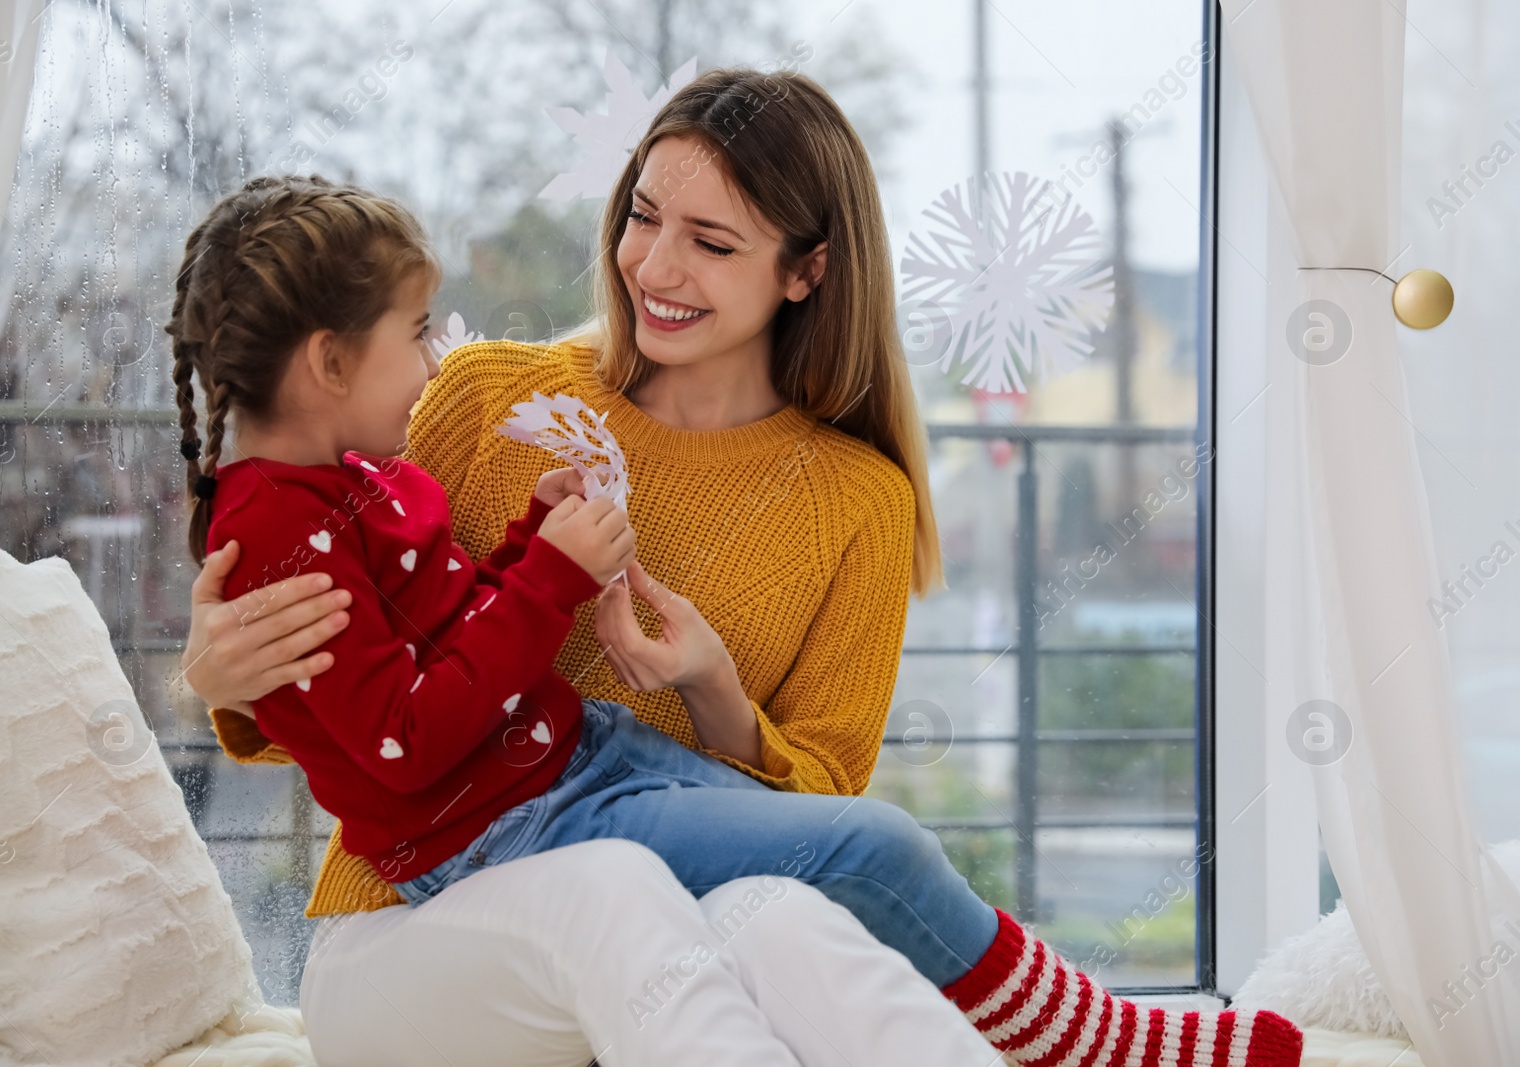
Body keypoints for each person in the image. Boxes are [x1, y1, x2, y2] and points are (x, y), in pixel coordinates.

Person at [181, 73, 1301, 1067]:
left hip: (650, 903)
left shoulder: (858, 500)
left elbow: (820, 837)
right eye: (641, 217)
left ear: (806, 271)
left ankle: (1093, 1045)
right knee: (614, 889)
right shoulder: (476, 396)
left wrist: (712, 687)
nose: (655, 267)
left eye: (712, 244)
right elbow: (365, 714)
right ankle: (1093, 1039)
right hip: (408, 934)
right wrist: (224, 679)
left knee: (786, 914)